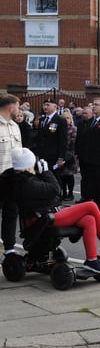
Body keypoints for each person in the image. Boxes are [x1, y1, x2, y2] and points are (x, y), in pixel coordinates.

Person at [1, 148, 100, 273]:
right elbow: (55, 189)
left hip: (46, 215)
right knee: (91, 206)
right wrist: (46, 171)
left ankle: (91, 260)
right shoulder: (27, 183)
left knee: (89, 219)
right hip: (43, 218)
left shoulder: (21, 179)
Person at [75, 97, 100, 217]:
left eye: (96, 104)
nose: (93, 106)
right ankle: (93, 208)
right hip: (88, 158)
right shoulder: (91, 121)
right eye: (93, 104)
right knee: (91, 184)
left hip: (99, 159)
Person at [0, 94, 22, 257]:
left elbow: (19, 153)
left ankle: (9, 248)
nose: (19, 110)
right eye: (17, 106)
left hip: (13, 178)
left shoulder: (15, 126)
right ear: (11, 107)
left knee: (11, 213)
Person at [33, 98, 67, 180]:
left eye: (48, 105)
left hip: (53, 156)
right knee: (43, 177)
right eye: (44, 105)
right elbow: (39, 137)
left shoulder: (60, 120)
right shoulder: (42, 119)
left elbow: (63, 140)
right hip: (42, 155)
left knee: (54, 178)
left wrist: (61, 157)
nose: (45, 107)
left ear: (55, 107)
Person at [59, 110, 77, 202]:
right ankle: (64, 193)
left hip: (70, 155)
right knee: (62, 176)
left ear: (71, 119)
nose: (66, 120)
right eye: (64, 118)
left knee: (69, 176)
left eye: (68, 118)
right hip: (60, 154)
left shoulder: (73, 129)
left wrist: (70, 154)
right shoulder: (60, 128)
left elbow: (74, 143)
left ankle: (70, 193)